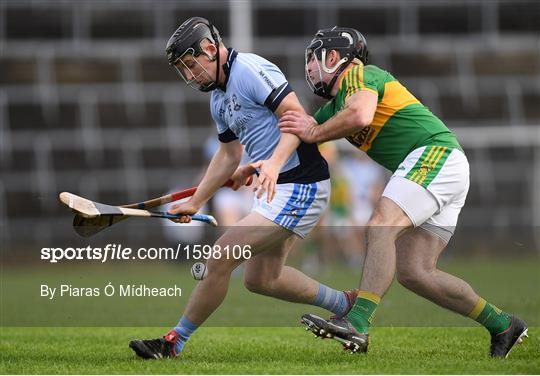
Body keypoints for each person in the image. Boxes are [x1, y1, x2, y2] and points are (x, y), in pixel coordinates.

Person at [278, 26, 528, 357]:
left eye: (312, 59)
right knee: (416, 272)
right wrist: (254, 169)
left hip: (434, 154)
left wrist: (313, 132)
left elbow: (360, 115)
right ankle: (504, 326)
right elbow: (302, 138)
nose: (308, 68)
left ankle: (358, 323)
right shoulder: (334, 108)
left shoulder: (358, 75)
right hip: (444, 165)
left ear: (333, 57)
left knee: (381, 224)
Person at [129, 17, 358, 360]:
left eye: (192, 66)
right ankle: (346, 305)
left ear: (210, 49)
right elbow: (228, 154)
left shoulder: (249, 69)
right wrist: (197, 200)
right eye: (183, 71)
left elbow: (296, 118)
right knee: (261, 278)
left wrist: (274, 162)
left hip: (302, 183)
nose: (190, 76)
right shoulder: (217, 100)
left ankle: (173, 342)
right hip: (276, 188)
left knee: (220, 255)